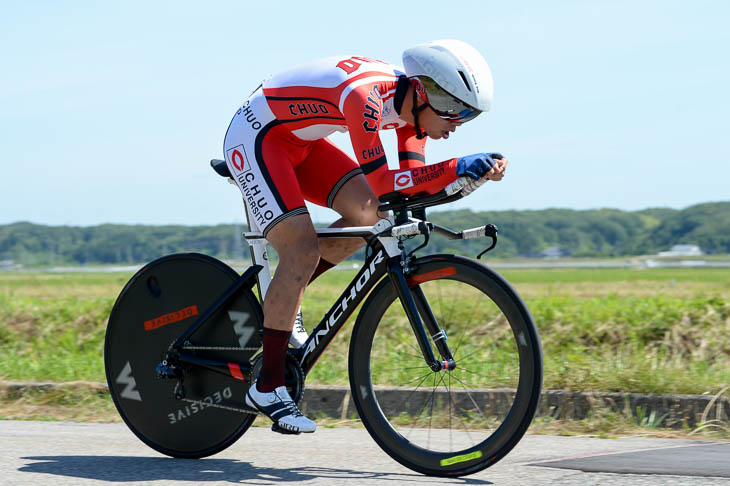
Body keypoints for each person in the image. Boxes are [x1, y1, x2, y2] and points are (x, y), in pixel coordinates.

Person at [222, 39, 508, 434]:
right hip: (258, 138)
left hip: (302, 143)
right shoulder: (367, 98)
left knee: (371, 214)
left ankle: (284, 298)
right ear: (427, 93)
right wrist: (457, 165)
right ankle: (268, 386)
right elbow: (384, 180)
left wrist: (467, 178)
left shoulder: (414, 114)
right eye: (456, 111)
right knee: (300, 251)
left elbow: (404, 191)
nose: (457, 124)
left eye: (469, 116)